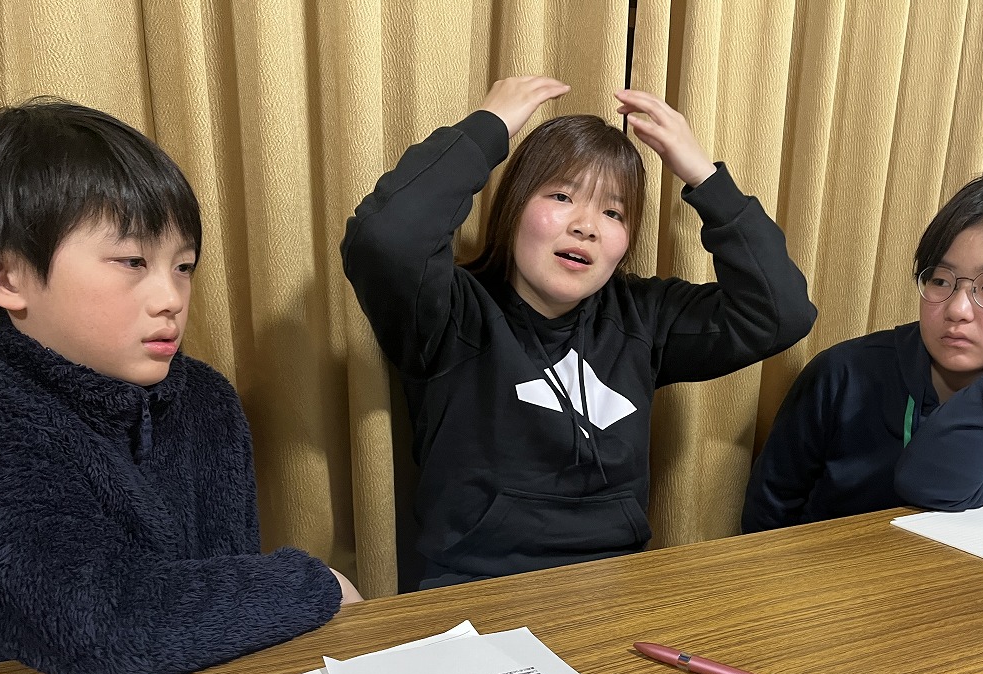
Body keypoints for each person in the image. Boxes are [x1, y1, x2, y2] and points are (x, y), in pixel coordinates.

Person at [342, 76, 815, 588]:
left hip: (618, 583)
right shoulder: (450, 312)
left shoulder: (642, 317)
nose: (586, 225)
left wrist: (704, 178)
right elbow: (387, 238)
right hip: (477, 587)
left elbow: (781, 313)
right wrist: (487, 129)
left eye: (613, 212)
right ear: (514, 206)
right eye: (562, 196)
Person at [0, 98, 362, 674]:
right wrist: (313, 584)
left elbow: (225, 588)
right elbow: (103, 627)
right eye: (132, 261)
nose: (170, 298)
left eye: (183, 266)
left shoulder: (204, 400)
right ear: (2, 276)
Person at [742, 174, 983, 532]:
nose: (957, 309)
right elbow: (768, 513)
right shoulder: (845, 372)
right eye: (941, 280)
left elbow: (934, 485)